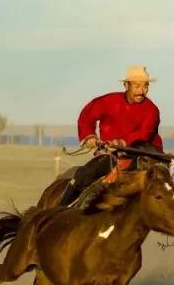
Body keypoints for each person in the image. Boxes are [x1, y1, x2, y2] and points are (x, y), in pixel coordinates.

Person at [59, 65, 163, 206]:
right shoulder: (108, 101)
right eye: (137, 86)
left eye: (145, 86)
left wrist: (122, 143)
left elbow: (144, 134)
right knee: (85, 174)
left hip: (142, 155)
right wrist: (89, 136)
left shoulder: (152, 110)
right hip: (110, 154)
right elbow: (86, 116)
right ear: (126, 85)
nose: (142, 91)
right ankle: (62, 209)